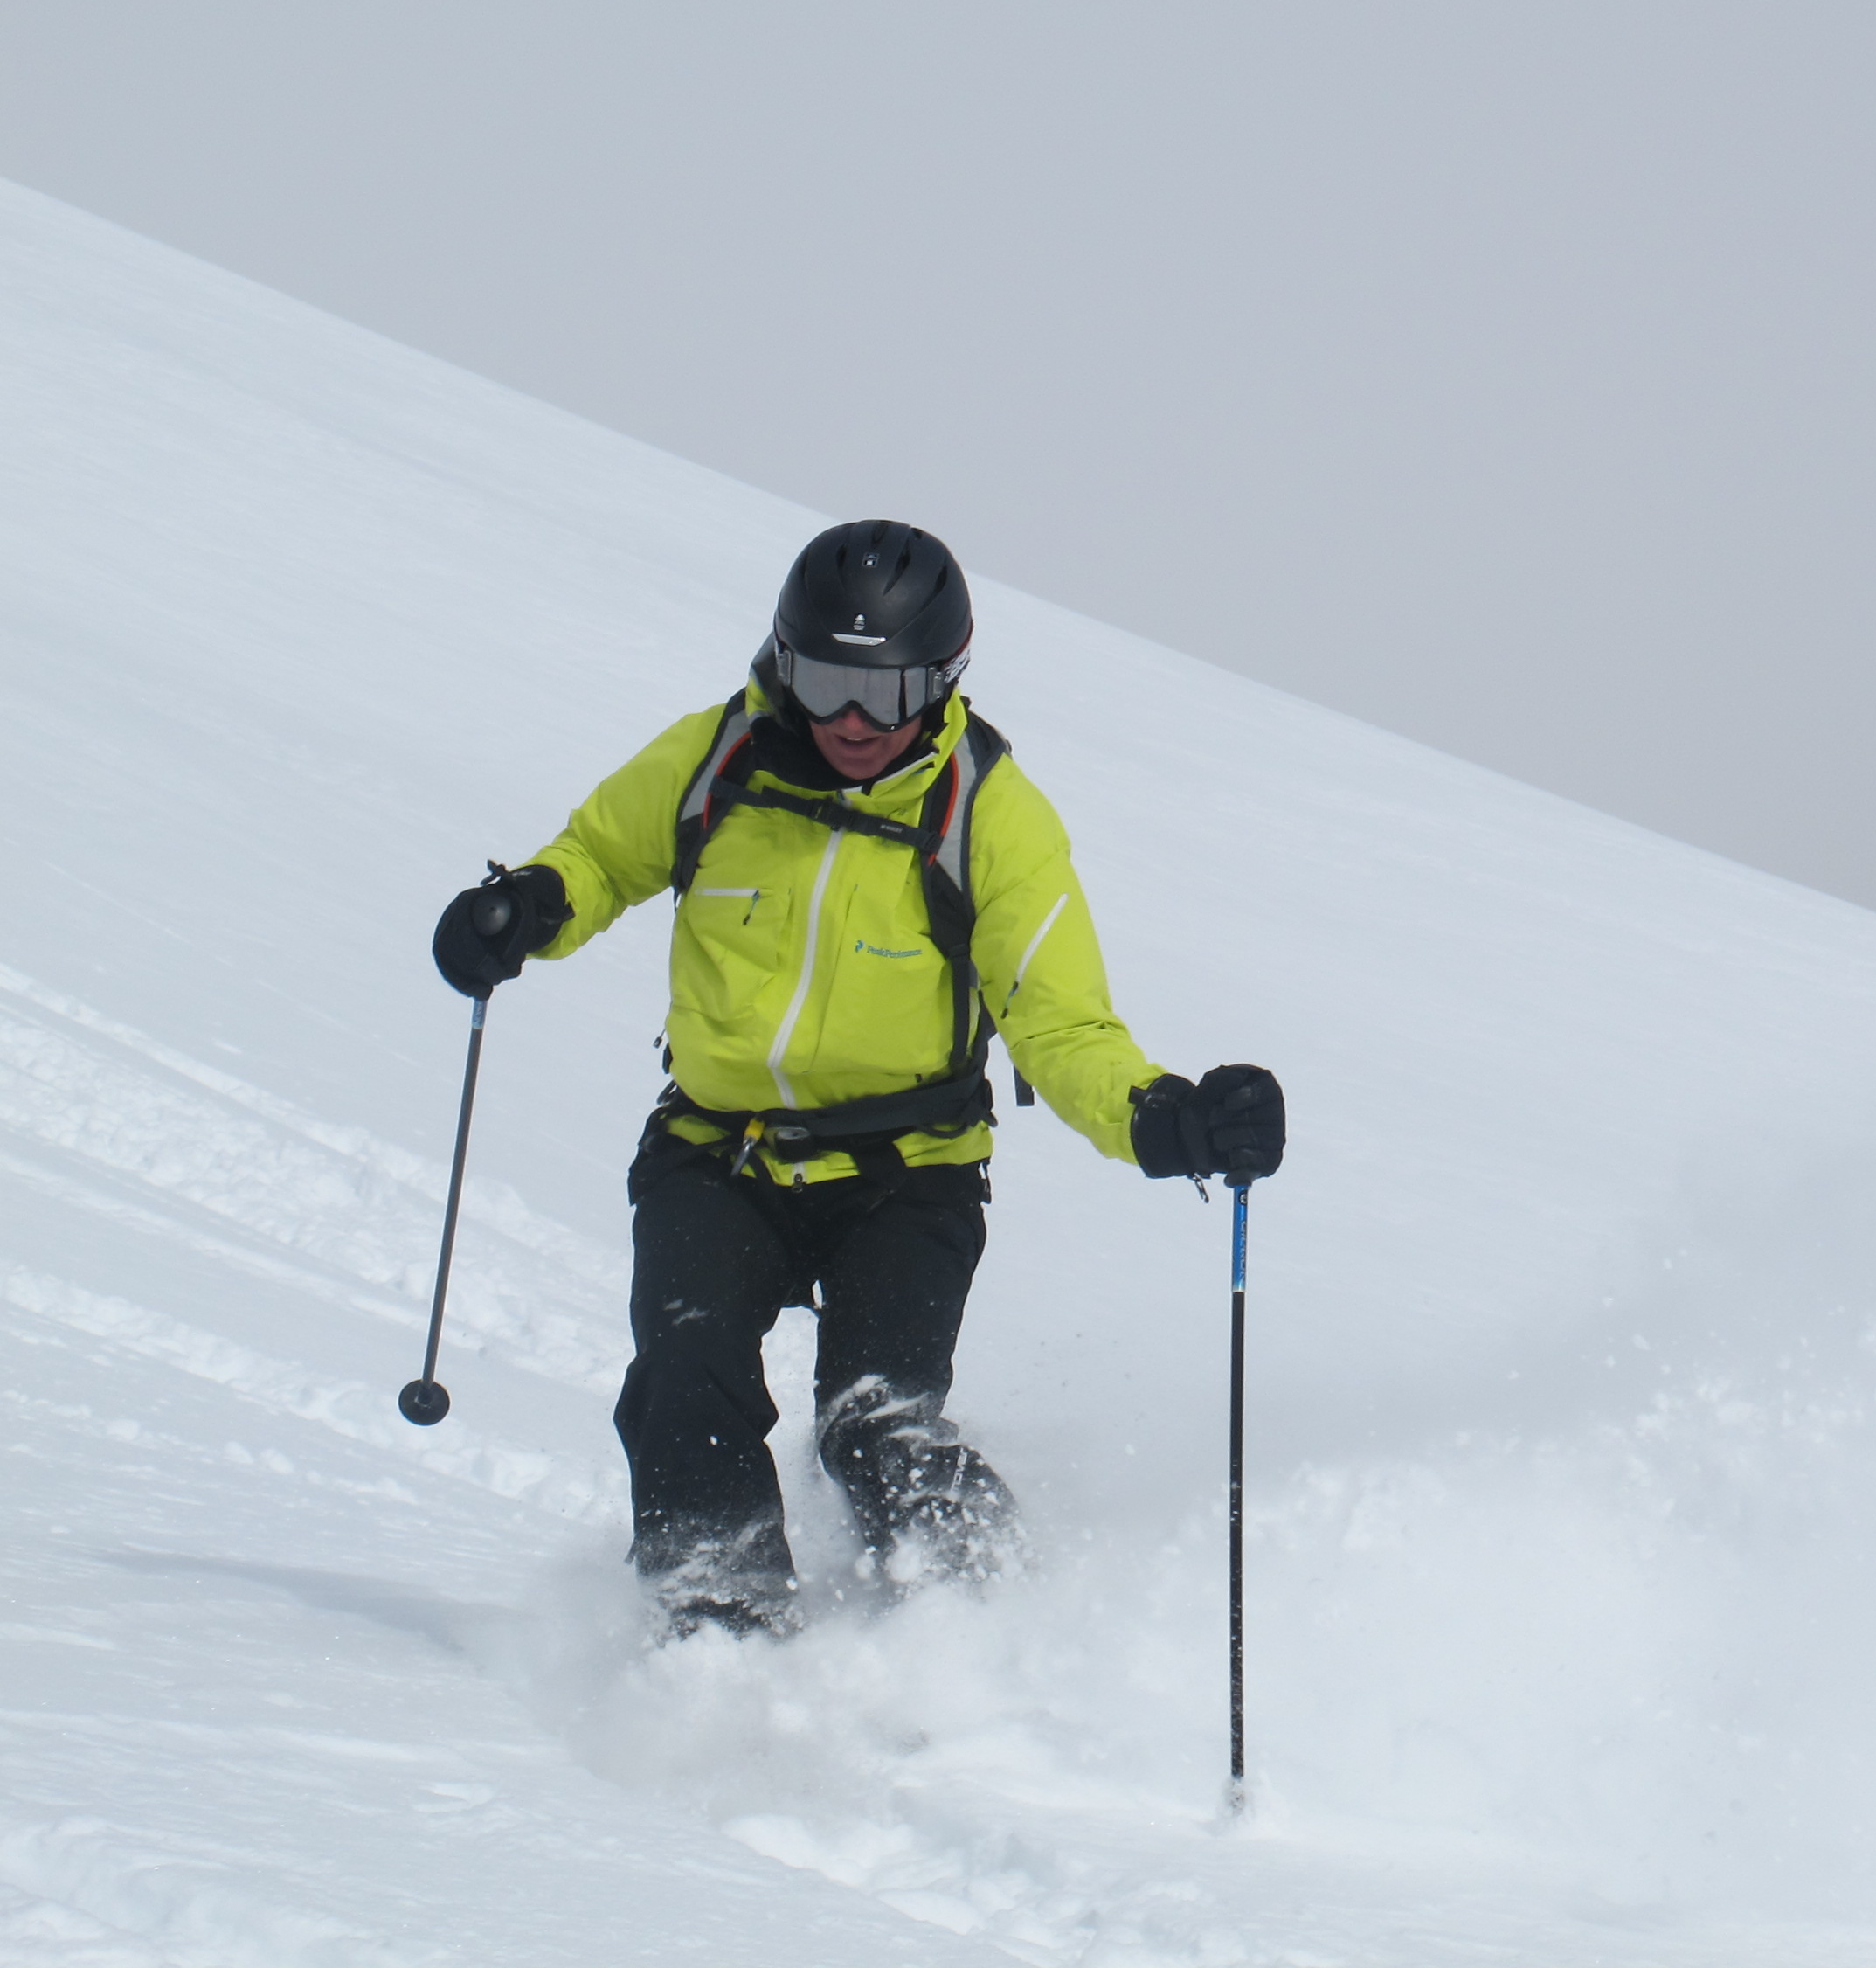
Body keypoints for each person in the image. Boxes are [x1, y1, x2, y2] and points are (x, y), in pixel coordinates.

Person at [430, 519, 1284, 1638]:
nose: (848, 720)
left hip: (907, 1174)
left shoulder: (989, 815)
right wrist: (524, 910)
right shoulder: (715, 760)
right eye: (826, 680)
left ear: (942, 684)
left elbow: (1060, 1022)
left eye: (883, 695)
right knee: (688, 1379)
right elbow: (598, 857)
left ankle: (984, 1623)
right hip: (717, 1154)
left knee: (873, 1427)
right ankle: (717, 1632)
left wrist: (1165, 1119)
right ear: (784, 660)